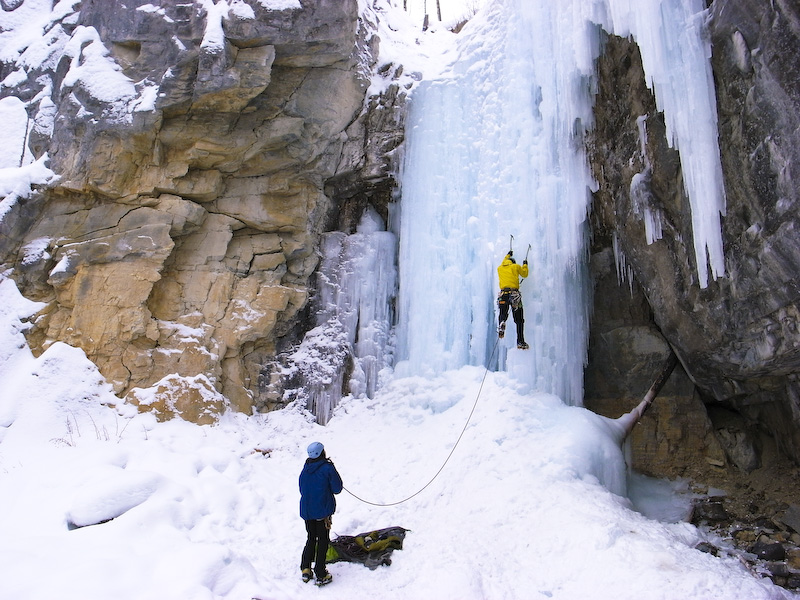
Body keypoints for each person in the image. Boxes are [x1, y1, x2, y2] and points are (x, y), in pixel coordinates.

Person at [299, 441, 343, 585]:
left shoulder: (306, 467)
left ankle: (306, 568)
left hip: (307, 510)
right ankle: (320, 572)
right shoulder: (327, 468)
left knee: (311, 537)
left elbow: (302, 488)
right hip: (322, 511)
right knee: (323, 540)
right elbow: (337, 488)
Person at [497, 250, 529, 349]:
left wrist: (508, 254)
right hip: (514, 295)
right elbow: (524, 274)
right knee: (519, 320)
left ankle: (502, 322)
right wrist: (525, 265)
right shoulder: (515, 267)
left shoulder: (500, 268)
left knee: (503, 313)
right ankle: (520, 341)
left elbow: (504, 261)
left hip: (503, 295)